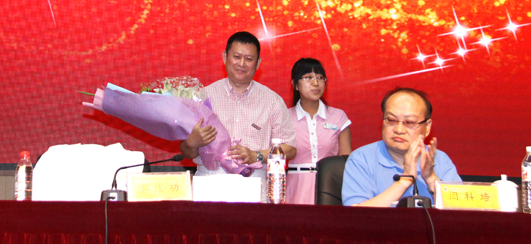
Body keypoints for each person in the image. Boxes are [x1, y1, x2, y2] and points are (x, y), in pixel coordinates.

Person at [180, 31, 297, 201]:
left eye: (249, 59)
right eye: (236, 57)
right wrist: (191, 143)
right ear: (225, 57)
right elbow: (186, 152)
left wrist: (257, 155)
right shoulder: (202, 97)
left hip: (253, 184)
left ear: (258, 63)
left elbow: (290, 148)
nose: (242, 64)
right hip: (209, 183)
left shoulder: (272, 101)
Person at [342, 87, 461, 207]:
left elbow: (462, 209)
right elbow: (355, 214)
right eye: (391, 120)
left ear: (427, 127)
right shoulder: (362, 159)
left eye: (409, 122)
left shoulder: (439, 160)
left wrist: (431, 178)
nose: (399, 130)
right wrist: (404, 181)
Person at [286, 58, 351, 205]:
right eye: (308, 77)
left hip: (330, 186)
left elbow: (345, 161)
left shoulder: (338, 116)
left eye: (320, 78)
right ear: (295, 85)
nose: (316, 83)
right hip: (296, 187)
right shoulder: (285, 117)